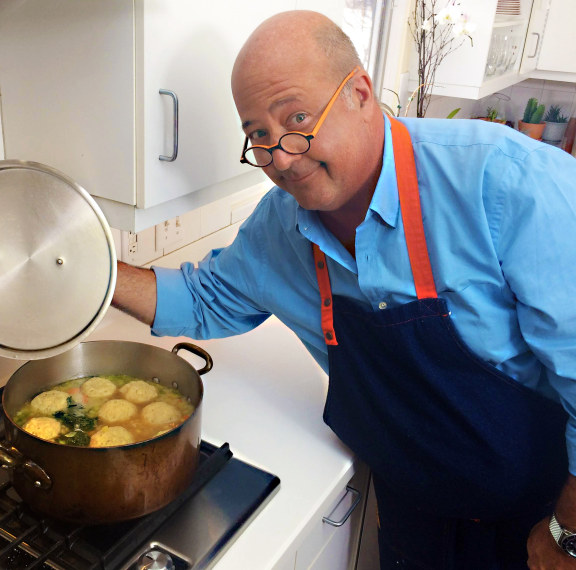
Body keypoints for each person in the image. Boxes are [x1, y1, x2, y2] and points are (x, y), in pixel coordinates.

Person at [112, 10, 576, 570]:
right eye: (258, 134)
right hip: (414, 507)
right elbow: (204, 298)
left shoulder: (507, 183)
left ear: (360, 92)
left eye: (296, 117)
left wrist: (565, 534)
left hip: (546, 514)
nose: (279, 157)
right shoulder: (278, 228)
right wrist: (89, 271)